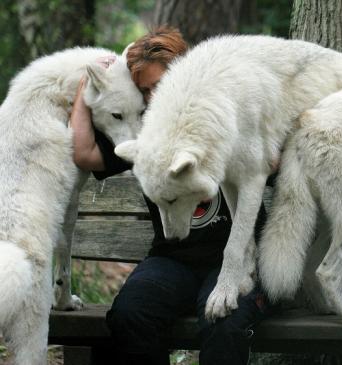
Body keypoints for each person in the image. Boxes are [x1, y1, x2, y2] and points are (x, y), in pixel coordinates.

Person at [70, 26, 269, 365]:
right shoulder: (144, 132)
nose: (151, 97)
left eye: (159, 85)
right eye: (144, 90)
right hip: (173, 259)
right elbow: (85, 153)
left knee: (224, 323)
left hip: (241, 257)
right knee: (130, 315)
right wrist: (84, 88)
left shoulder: (228, 111)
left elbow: (271, 158)